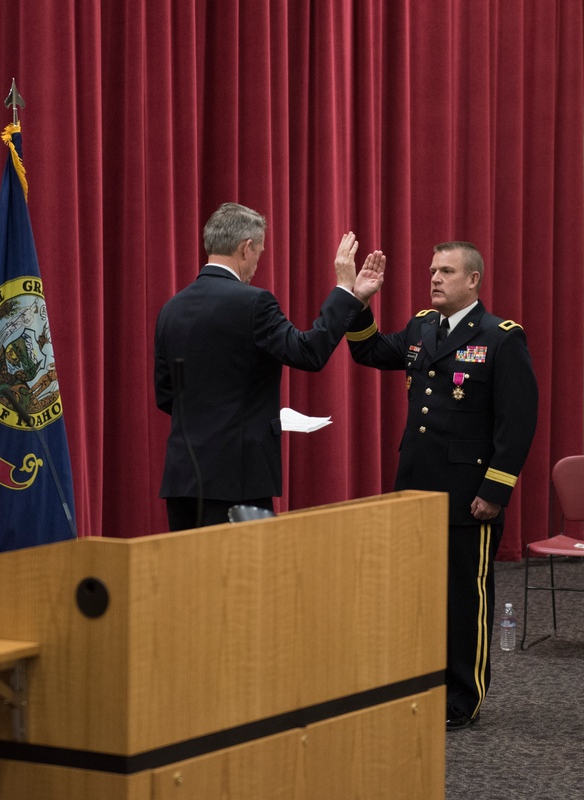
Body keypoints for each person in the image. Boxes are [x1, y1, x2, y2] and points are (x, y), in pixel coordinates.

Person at [346, 241, 538, 731]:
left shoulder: (501, 338)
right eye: (432, 270)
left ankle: (462, 695)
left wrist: (495, 491)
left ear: (473, 280)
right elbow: (368, 349)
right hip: (416, 485)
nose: (434, 278)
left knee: (463, 596)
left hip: (467, 493)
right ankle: (420, 683)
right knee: (418, 593)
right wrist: (358, 298)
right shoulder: (422, 327)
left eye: (446, 271)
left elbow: (516, 425)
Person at [154, 202, 379, 531]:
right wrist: (346, 292)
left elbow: (165, 395)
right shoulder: (253, 302)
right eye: (259, 251)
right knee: (247, 578)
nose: (257, 263)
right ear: (246, 248)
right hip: (240, 480)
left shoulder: (170, 309)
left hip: (182, 480)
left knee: (191, 579)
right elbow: (309, 353)